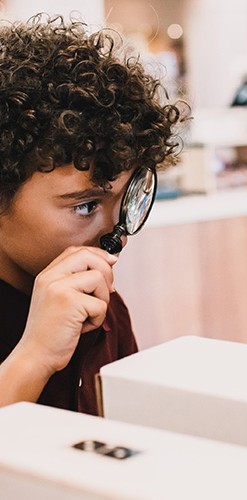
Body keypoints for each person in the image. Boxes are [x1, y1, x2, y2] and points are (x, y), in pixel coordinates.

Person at [0, 14, 185, 415]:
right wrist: (33, 358)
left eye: (125, 201)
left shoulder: (106, 310)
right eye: (85, 206)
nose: (115, 233)